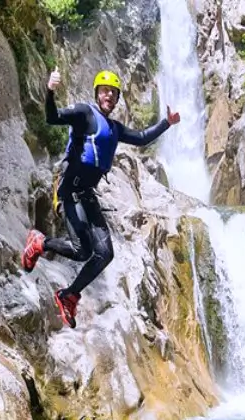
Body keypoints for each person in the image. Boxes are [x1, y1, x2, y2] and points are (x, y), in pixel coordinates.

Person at [21, 68, 180, 328]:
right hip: (69, 190)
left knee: (104, 254)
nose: (109, 95)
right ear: (97, 93)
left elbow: (140, 139)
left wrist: (167, 123)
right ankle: (40, 242)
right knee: (81, 249)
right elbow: (52, 117)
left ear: (117, 98)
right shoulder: (85, 113)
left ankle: (68, 295)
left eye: (113, 93)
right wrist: (50, 90)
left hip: (87, 195)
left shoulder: (115, 128)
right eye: (105, 91)